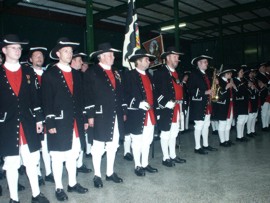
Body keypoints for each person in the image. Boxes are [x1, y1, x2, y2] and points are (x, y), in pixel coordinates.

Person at [0, 34, 49, 203]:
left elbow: (35, 97)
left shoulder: (28, 71)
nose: (18, 50)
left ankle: (36, 195)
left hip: (28, 123)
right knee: (12, 163)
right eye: (14, 47)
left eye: (20, 48)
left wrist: (38, 119)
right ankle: (14, 198)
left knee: (32, 160)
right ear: (4, 50)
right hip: (7, 125)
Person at [42, 38, 88, 201]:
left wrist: (83, 118)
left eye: (70, 51)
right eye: (66, 51)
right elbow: (46, 101)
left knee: (73, 154)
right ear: (58, 53)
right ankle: (59, 187)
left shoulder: (76, 73)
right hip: (58, 122)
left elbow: (80, 99)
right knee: (57, 156)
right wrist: (50, 122)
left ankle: (72, 183)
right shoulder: (50, 74)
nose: (69, 54)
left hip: (75, 122)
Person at [84, 42, 126, 188]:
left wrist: (123, 112)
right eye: (109, 55)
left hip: (115, 114)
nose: (113, 57)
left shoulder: (116, 72)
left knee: (113, 145)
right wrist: (90, 115)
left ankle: (110, 172)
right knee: (98, 146)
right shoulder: (92, 72)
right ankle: (97, 175)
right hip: (99, 115)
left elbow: (120, 94)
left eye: (113, 55)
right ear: (101, 57)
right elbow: (87, 96)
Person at [124, 49, 158, 176]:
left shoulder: (149, 75)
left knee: (147, 141)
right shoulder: (129, 75)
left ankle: (145, 163)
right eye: (146, 59)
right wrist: (138, 103)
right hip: (136, 114)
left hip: (149, 114)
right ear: (138, 61)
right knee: (137, 141)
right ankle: (137, 165)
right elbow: (125, 95)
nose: (149, 61)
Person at [153, 46, 186, 167]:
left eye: (178, 56)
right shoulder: (160, 72)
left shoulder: (177, 73)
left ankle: (173, 155)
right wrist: (165, 103)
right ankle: (165, 158)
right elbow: (155, 92)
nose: (178, 59)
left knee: (174, 133)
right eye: (175, 56)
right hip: (166, 108)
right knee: (166, 133)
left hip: (177, 107)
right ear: (167, 57)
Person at [28, 46, 55, 185]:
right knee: (36, 148)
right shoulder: (26, 75)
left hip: (47, 115)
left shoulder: (48, 74)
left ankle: (49, 172)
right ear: (30, 59)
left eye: (41, 56)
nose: (39, 58)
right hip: (33, 117)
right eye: (36, 56)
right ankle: (38, 174)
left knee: (46, 146)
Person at [188, 55, 218, 155]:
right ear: (199, 63)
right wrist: (205, 92)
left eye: (206, 62)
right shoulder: (194, 74)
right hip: (198, 104)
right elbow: (190, 90)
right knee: (199, 126)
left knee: (206, 125)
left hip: (207, 103)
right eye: (205, 62)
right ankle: (197, 147)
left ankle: (205, 144)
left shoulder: (207, 75)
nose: (207, 64)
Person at [70, 51, 92, 174]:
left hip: (80, 114)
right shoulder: (69, 74)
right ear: (72, 61)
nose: (82, 62)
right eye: (79, 60)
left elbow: (82, 98)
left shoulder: (79, 75)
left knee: (81, 141)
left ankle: (79, 164)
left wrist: (85, 116)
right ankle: (74, 166)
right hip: (70, 116)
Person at [215, 66, 237, 147]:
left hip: (230, 105)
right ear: (224, 74)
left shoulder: (229, 81)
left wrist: (233, 87)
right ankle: (222, 141)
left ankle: (227, 140)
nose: (231, 74)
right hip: (222, 105)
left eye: (230, 73)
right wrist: (225, 88)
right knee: (222, 123)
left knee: (229, 123)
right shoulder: (219, 81)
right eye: (229, 73)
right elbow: (217, 95)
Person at [233, 65, 249, 142]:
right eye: (241, 72)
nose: (243, 73)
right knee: (240, 119)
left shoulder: (242, 80)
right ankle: (239, 137)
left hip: (244, 102)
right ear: (237, 73)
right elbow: (236, 92)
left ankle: (241, 135)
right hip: (239, 102)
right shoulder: (234, 81)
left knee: (245, 119)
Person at [244, 66, 259, 137]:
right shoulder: (246, 81)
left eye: (252, 73)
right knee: (250, 117)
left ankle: (252, 130)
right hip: (250, 100)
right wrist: (250, 87)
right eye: (250, 73)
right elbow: (247, 91)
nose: (252, 74)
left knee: (254, 116)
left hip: (255, 99)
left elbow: (257, 89)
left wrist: (255, 88)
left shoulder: (254, 80)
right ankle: (248, 131)